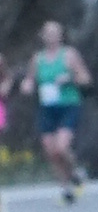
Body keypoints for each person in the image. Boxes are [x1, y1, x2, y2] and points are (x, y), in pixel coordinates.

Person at [25, 24, 89, 202]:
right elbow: (30, 79)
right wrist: (27, 85)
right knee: (51, 152)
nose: (51, 37)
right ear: (42, 36)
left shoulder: (69, 55)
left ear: (61, 36)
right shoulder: (37, 59)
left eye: (55, 33)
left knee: (61, 147)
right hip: (47, 108)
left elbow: (85, 78)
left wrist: (70, 78)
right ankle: (66, 189)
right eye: (48, 34)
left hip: (68, 105)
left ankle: (76, 171)